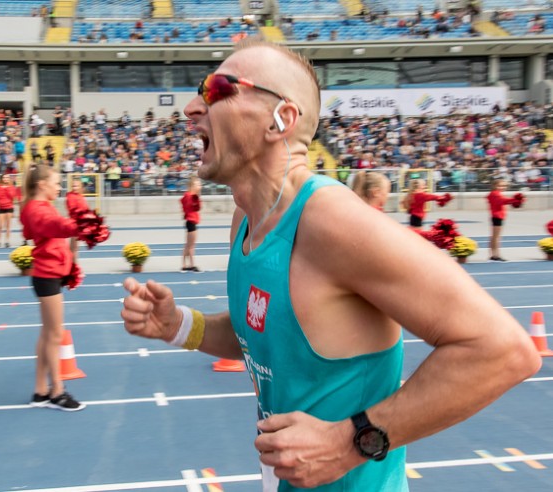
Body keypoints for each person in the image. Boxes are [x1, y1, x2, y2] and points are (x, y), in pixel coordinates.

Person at [120, 39, 541, 491]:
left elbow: (502, 349)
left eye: (218, 89)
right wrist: (179, 326)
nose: (191, 108)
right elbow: (264, 337)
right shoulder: (247, 218)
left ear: (281, 118)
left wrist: (348, 443)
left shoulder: (331, 221)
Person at [19, 166, 87, 412]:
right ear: (42, 185)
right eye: (56, 183)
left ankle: (40, 391)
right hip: (46, 276)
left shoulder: (40, 206)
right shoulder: (37, 209)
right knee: (55, 335)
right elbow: (55, 225)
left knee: (48, 334)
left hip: (50, 274)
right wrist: (81, 226)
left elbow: (52, 232)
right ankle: (57, 391)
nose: (60, 187)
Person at [486, 179, 524, 262]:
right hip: (497, 216)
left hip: (497, 216)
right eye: (500, 186)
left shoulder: (496, 194)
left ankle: (493, 254)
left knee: (495, 236)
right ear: (494, 186)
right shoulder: (495, 194)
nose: (502, 187)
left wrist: (514, 201)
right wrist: (515, 200)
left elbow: (503, 201)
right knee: (496, 237)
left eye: (504, 186)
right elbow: (502, 201)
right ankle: (496, 255)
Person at [180, 176, 202, 272]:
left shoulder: (192, 196)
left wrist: (196, 198)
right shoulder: (189, 196)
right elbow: (191, 207)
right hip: (191, 221)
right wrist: (195, 198)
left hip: (191, 221)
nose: (200, 186)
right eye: (198, 184)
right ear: (193, 186)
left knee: (188, 244)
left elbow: (197, 208)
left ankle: (184, 265)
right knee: (191, 245)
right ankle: (192, 265)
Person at [65, 177, 89, 263]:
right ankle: (73, 265)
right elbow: (73, 209)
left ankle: (72, 264)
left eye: (76, 186)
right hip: (75, 223)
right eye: (73, 186)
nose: (74, 188)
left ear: (80, 186)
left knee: (74, 247)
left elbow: (85, 208)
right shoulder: (70, 196)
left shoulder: (80, 196)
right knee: (74, 247)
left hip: (80, 223)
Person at [0, 173, 17, 248]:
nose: (5, 179)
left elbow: (12, 196)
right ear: (2, 178)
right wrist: (3, 189)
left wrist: (7, 188)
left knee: (8, 225)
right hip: (1, 208)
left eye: (7, 177)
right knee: (0, 226)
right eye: (4, 177)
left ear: (9, 179)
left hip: (9, 207)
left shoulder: (12, 187)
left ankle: (7, 241)